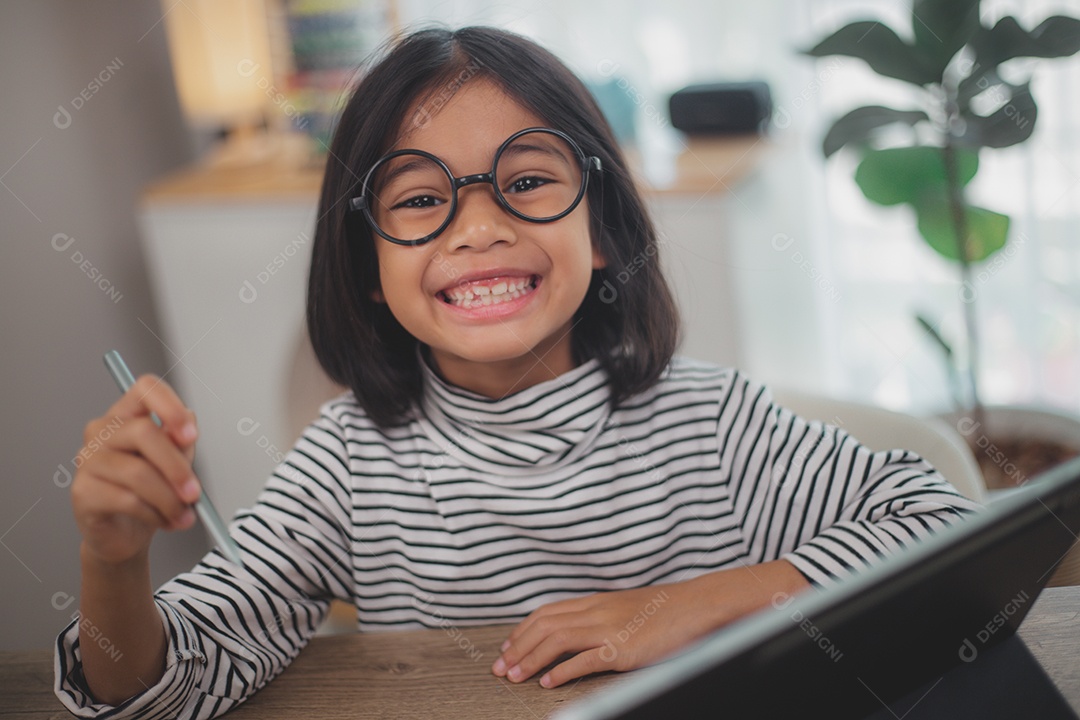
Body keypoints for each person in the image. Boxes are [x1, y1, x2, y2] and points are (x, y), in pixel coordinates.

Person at [56, 25, 981, 719]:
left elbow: (946, 528)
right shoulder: (347, 467)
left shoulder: (713, 425)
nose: (479, 226)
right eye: (419, 199)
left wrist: (685, 605)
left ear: (605, 228)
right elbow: (160, 690)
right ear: (367, 269)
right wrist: (113, 559)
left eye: (527, 181)